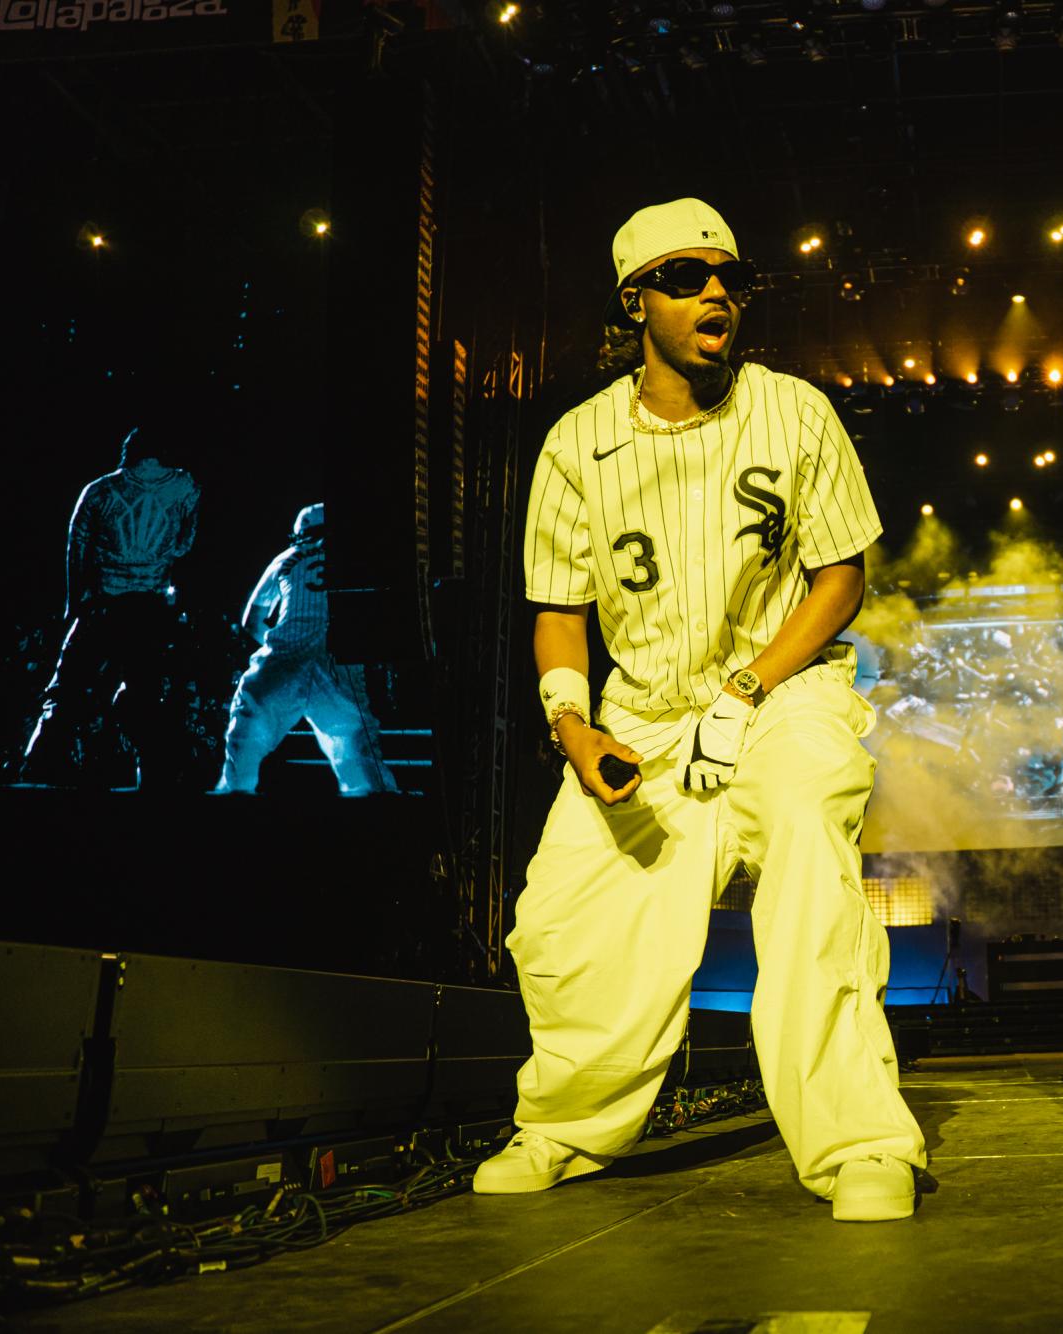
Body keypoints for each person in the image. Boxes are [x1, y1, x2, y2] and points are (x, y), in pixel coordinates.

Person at [476, 199, 925, 1222]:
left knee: (811, 847)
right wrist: (575, 729)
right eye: (686, 276)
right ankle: (565, 1125)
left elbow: (840, 575)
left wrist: (752, 685)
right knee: (562, 920)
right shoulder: (574, 443)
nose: (717, 291)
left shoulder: (794, 410)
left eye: (729, 275)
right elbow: (559, 609)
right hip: (638, 711)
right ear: (635, 299)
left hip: (781, 691)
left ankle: (859, 1141)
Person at [22, 422, 200, 787]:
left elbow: (76, 548)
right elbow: (185, 545)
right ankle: (154, 776)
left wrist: (74, 602)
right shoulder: (186, 486)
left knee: (66, 690)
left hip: (105, 603)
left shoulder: (100, 490)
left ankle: (38, 768)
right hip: (150, 606)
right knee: (146, 693)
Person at [214, 504, 398, 795]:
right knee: (356, 743)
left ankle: (234, 801)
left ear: (300, 533)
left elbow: (251, 620)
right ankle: (378, 811)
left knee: (248, 728)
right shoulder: (356, 559)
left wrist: (281, 646)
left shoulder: (285, 558)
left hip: (285, 658)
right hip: (337, 659)